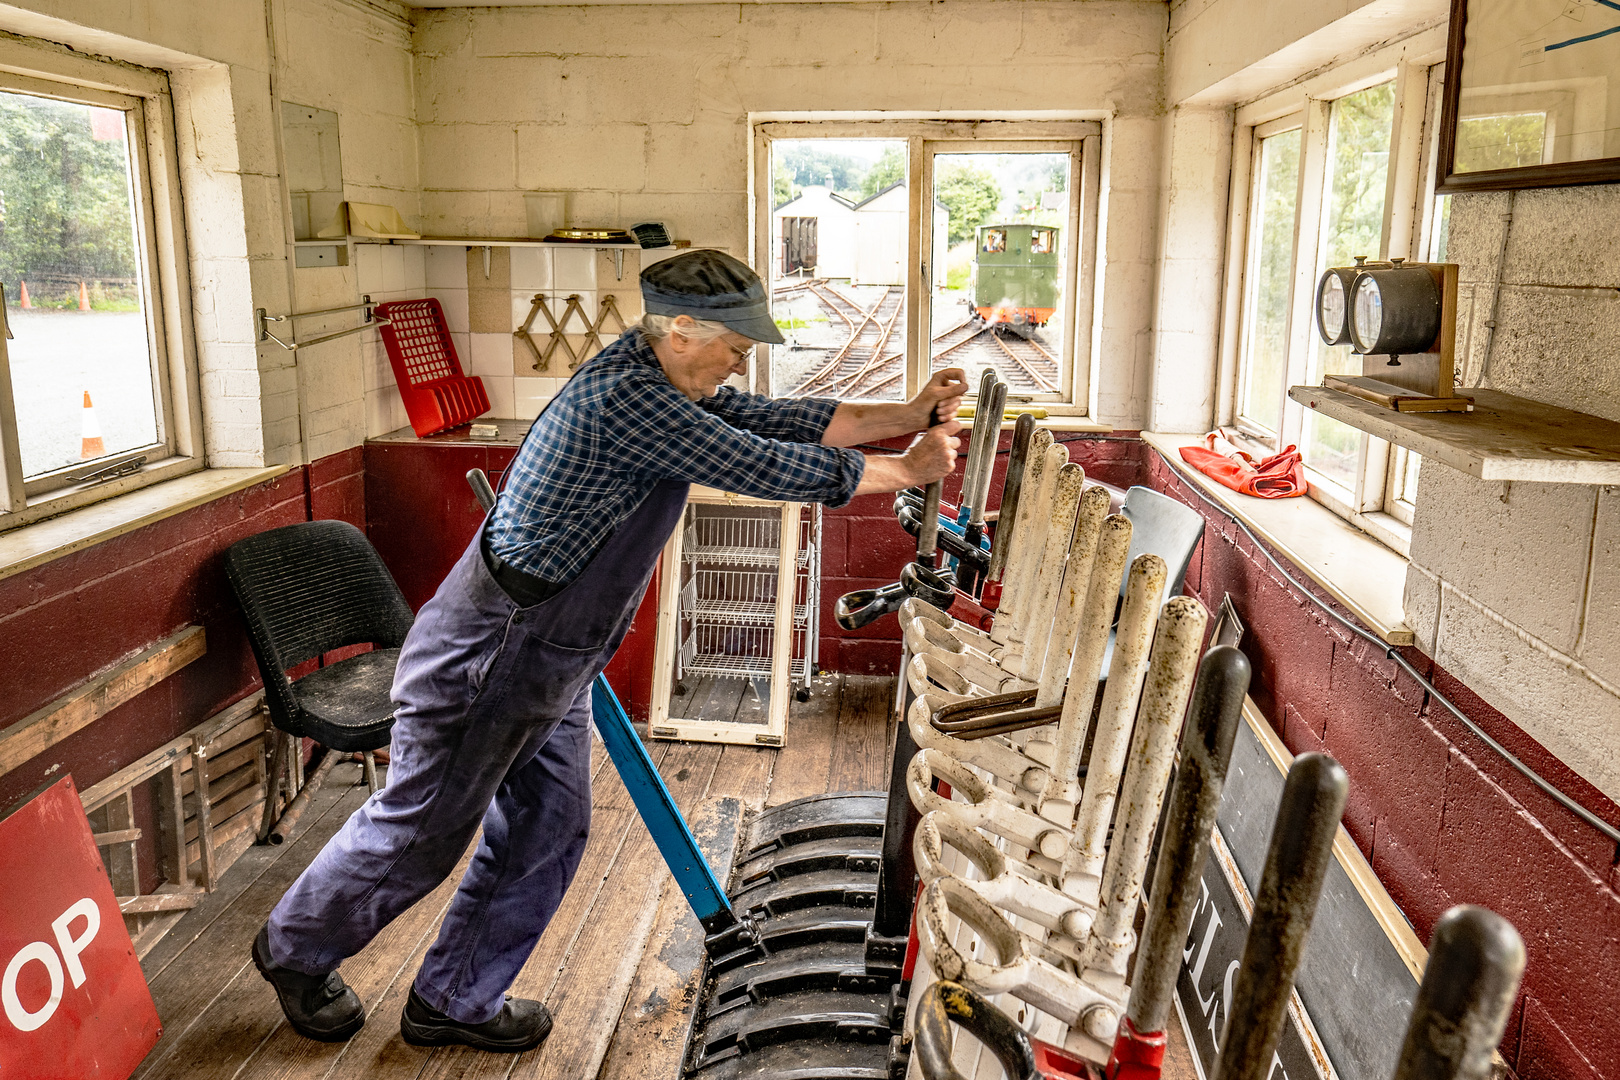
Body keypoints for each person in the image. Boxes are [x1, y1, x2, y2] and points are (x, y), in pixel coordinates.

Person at [252, 249, 967, 1051]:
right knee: (424, 829)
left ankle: (453, 997)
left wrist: (905, 413)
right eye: (735, 345)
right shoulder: (630, 400)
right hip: (494, 654)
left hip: (554, 656)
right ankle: (294, 950)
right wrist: (902, 469)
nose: (743, 362)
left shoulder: (664, 375)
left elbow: (775, 420)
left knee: (549, 827)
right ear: (684, 329)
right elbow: (760, 462)